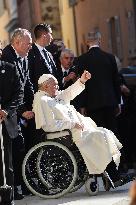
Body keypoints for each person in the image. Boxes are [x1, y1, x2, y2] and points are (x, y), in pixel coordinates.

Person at [33, 71, 135, 189]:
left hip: (74, 132)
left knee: (104, 133)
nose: (57, 87)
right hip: (66, 135)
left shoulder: (53, 96)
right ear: (46, 86)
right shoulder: (42, 100)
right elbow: (48, 126)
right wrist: (72, 123)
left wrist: (82, 81)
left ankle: (111, 175)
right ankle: (114, 177)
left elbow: (68, 93)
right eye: (55, 84)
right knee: (100, 136)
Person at [1, 28, 34, 199]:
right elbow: (11, 90)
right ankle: (13, 188)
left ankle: (22, 184)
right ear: (17, 42)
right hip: (8, 114)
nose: (31, 46)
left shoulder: (24, 57)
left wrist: (34, 104)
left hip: (16, 111)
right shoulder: (6, 57)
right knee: (11, 151)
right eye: (28, 43)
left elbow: (26, 85)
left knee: (19, 148)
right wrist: (21, 111)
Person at [0, 60, 23, 205]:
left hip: (6, 121)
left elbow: (19, 93)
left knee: (6, 162)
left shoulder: (10, 68)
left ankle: (8, 198)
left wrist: (6, 111)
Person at [28, 23, 58, 93]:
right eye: (50, 34)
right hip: (38, 97)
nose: (52, 38)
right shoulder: (30, 53)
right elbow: (30, 78)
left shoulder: (48, 53)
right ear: (44, 35)